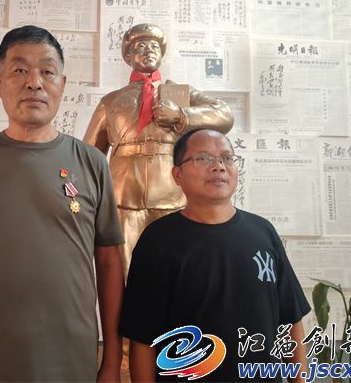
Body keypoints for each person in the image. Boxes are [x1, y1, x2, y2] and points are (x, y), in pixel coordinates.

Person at [0, 25, 124, 383]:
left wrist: (111, 362)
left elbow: (109, 263)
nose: (34, 83)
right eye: (19, 70)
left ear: (62, 84)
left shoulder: (91, 163)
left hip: (71, 365)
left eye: (47, 71)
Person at [120, 128, 311, 383]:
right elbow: (143, 340)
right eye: (203, 158)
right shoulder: (158, 241)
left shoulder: (263, 232)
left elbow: (291, 320)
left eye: (226, 158)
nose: (218, 166)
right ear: (177, 175)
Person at [83, 24, 234, 276]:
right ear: (128, 56)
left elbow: (224, 115)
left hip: (172, 196)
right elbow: (89, 156)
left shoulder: (180, 93)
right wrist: (92, 205)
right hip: (124, 199)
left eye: (154, 46)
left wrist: (182, 115)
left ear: (162, 54)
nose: (148, 50)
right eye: (140, 46)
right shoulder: (110, 101)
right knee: (127, 272)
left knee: (177, 271)